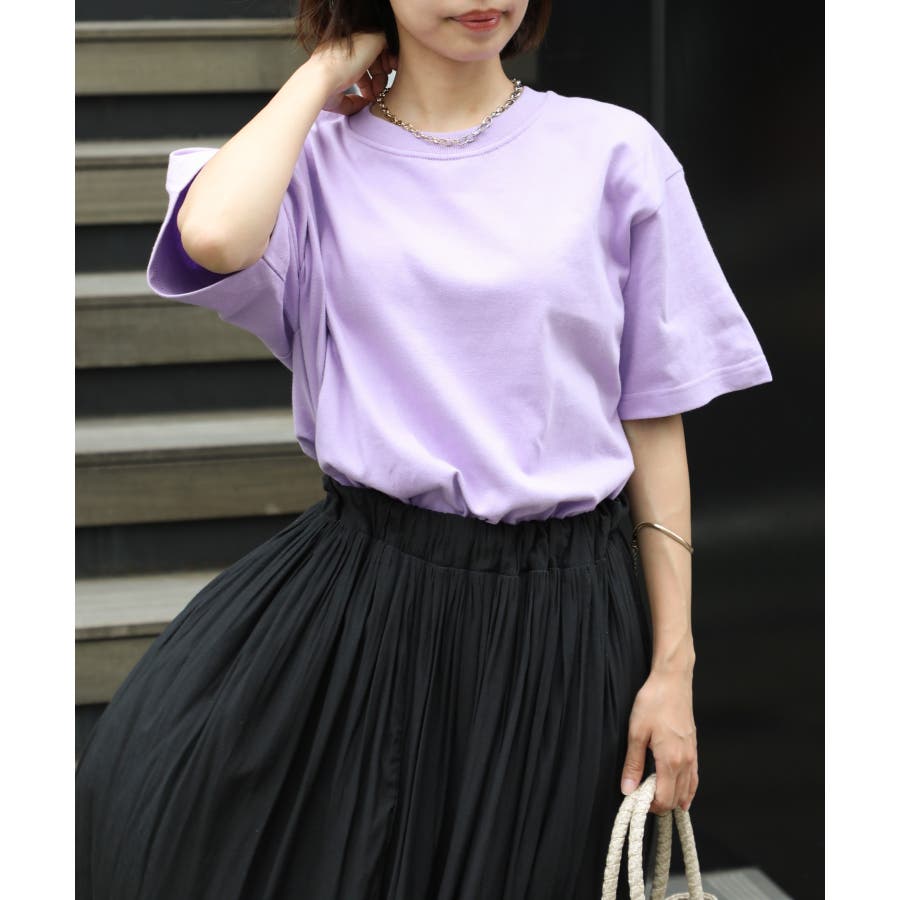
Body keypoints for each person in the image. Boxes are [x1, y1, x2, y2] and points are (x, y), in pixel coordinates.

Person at [75, 2, 773, 898]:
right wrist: (327, 69)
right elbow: (211, 236)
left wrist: (673, 667)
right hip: (368, 593)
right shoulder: (316, 160)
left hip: (564, 617)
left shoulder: (612, 150)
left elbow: (654, 417)